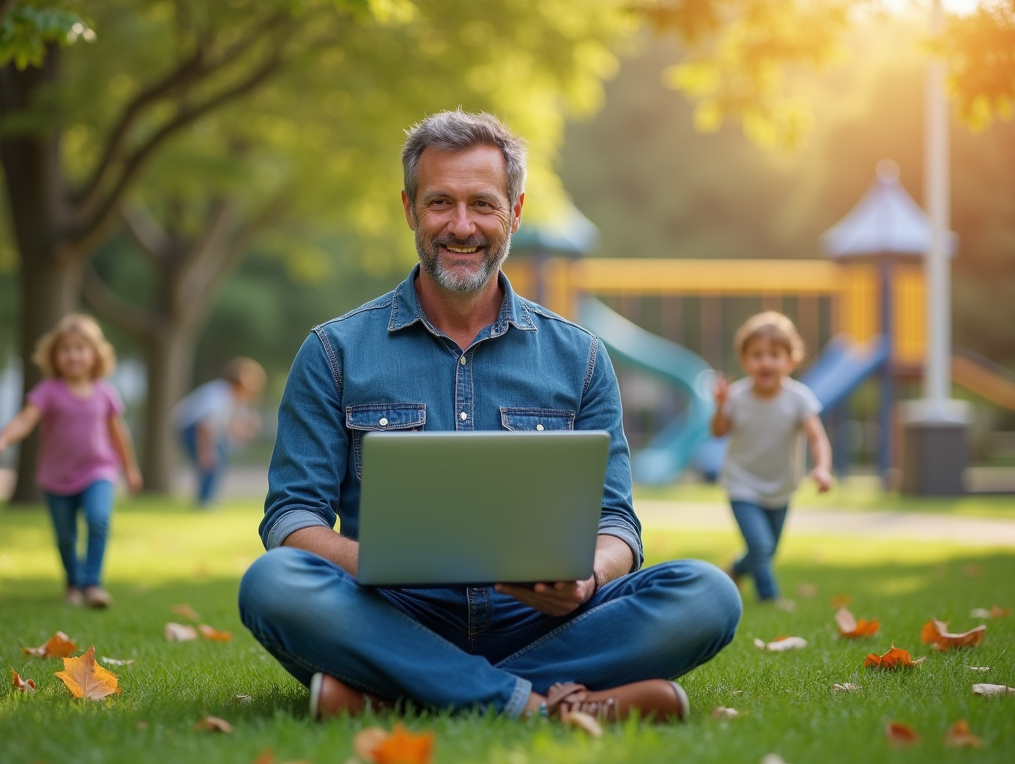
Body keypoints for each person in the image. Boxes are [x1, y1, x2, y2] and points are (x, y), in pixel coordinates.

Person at [238, 110, 742, 723]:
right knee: (273, 583)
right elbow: (291, 518)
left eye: (482, 204)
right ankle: (535, 705)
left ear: (515, 212)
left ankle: (401, 694)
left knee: (707, 593)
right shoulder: (332, 352)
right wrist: (377, 566)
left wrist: (586, 578)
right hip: (391, 614)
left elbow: (617, 523)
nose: (461, 225)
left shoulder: (581, 357)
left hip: (545, 622)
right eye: (439, 203)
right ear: (409, 209)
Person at [0, 314, 141, 608]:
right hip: (57, 476)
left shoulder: (105, 393)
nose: (73, 355)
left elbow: (119, 434)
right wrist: (1, 441)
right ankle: (73, 583)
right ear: (54, 356)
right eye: (66, 349)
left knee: (98, 520)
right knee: (66, 537)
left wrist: (130, 470)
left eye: (81, 348)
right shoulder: (48, 391)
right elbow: (25, 420)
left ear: (95, 355)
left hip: (98, 470)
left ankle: (92, 584)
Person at [711, 311, 833, 603]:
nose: (765, 362)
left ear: (791, 361)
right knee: (761, 546)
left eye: (774, 355)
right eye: (757, 355)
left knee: (767, 550)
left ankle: (736, 570)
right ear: (744, 360)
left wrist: (822, 468)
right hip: (741, 483)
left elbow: (817, 437)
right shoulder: (737, 397)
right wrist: (720, 407)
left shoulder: (799, 399)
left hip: (780, 486)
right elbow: (718, 432)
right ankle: (769, 597)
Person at [172, 358, 267, 507]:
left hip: (204, 430)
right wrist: (205, 451)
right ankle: (205, 500)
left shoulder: (234, 398)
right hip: (192, 428)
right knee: (212, 461)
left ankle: (207, 497)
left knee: (216, 461)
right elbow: (205, 424)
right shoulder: (220, 393)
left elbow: (231, 424)